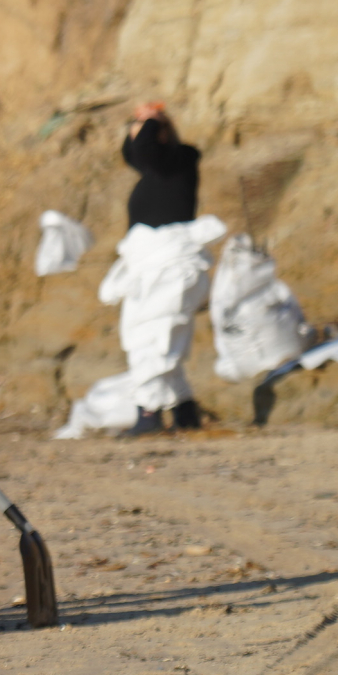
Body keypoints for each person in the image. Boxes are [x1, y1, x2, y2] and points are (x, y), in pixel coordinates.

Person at [102, 101, 211, 436]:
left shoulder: (179, 160)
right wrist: (137, 127)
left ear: (162, 133)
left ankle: (149, 414)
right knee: (154, 336)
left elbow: (147, 150)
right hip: (154, 264)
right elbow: (135, 154)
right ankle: (184, 410)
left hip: (170, 264)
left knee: (154, 338)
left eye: (147, 129)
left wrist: (152, 120)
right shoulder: (155, 168)